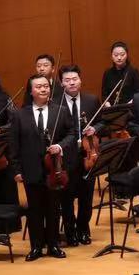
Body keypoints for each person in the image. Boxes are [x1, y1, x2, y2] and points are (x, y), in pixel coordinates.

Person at [12, 73, 69, 260]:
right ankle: (36, 247)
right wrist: (17, 170)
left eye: (46, 86)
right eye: (38, 86)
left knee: (53, 209)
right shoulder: (20, 115)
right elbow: (14, 145)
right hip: (30, 169)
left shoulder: (60, 110)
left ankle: (53, 245)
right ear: (31, 91)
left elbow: (71, 133)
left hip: (54, 169)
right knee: (34, 210)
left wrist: (59, 146)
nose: (43, 89)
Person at [57, 65, 99, 246]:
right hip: (66, 158)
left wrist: (95, 128)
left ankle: (83, 229)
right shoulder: (55, 104)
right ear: (61, 83)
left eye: (75, 79)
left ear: (80, 80)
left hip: (88, 155)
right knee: (66, 197)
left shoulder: (92, 100)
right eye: (67, 80)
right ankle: (70, 231)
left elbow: (103, 122)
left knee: (86, 195)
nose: (72, 82)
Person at [97, 41, 137, 109]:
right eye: (116, 55)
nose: (119, 58)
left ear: (127, 55)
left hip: (130, 109)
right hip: (112, 109)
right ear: (111, 57)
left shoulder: (133, 71)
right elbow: (104, 95)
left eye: (122, 55)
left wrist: (128, 106)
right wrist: (109, 107)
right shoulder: (107, 73)